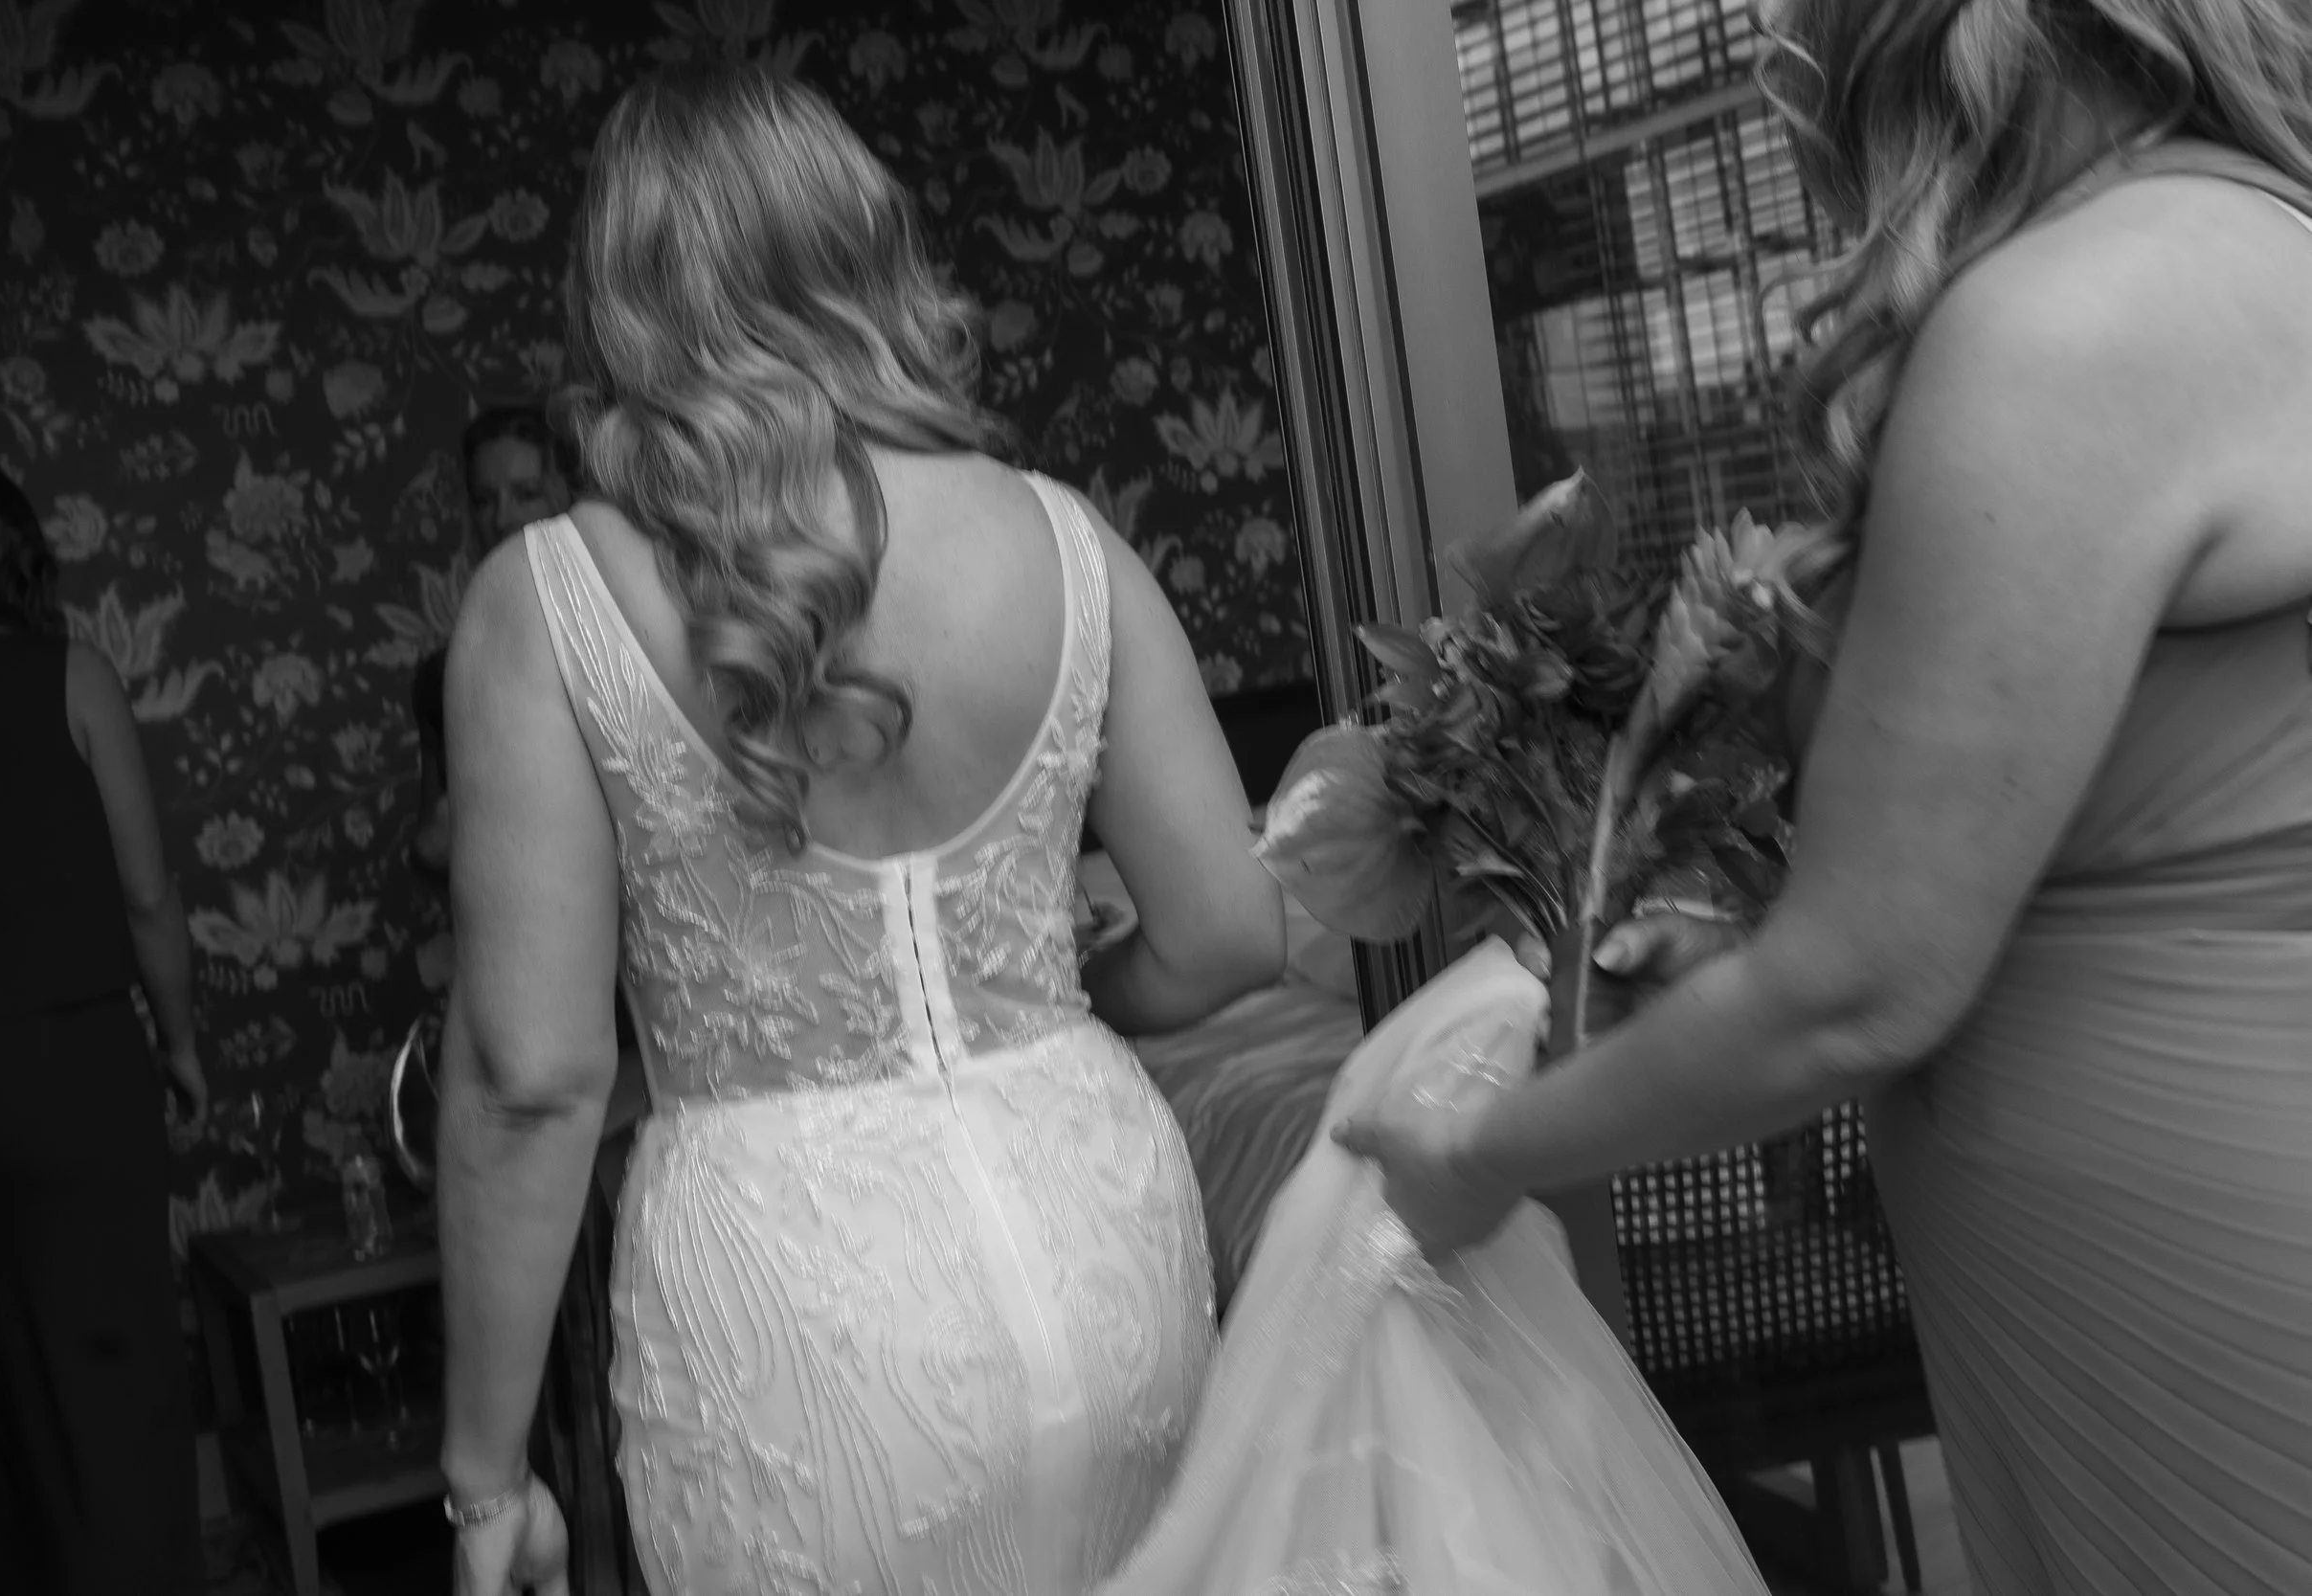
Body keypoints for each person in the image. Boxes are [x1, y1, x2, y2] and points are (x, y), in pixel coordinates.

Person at [1339, 3, 2312, 1592]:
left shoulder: (2069, 322)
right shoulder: (2255, 230)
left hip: (2202, 1288)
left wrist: (1481, 1153)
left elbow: (1857, 989)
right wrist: (1732, 964)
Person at [436, 65, 1285, 1595]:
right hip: (1104, 1248)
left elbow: (531, 1077)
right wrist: (1055, 1001)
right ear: (869, 251)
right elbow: (1231, 929)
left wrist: (481, 1473)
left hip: (792, 1311)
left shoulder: (548, 595)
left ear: (621, 303)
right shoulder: (1063, 536)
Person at [0, 451, 208, 1593]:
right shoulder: (69, 673)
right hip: (70, 1073)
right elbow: (148, 896)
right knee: (116, 1391)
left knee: (0, 1403)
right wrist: (180, 1045)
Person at [412, 405, 576, 879]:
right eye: (485, 499)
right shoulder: (442, 677)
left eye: (525, 494)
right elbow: (430, 845)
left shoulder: (616, 643)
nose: (503, 517)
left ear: (565, 496)